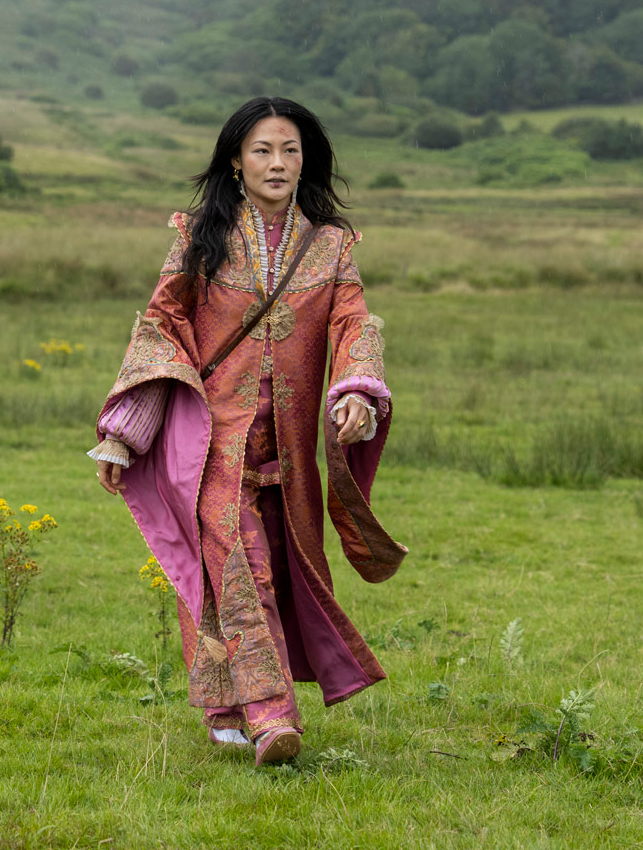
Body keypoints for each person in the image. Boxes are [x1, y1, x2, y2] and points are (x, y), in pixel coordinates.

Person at [90, 96, 406, 766]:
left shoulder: (331, 244)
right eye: (262, 149)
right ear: (236, 160)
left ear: (305, 160)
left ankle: (225, 703)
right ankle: (271, 720)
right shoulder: (198, 235)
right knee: (241, 569)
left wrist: (356, 392)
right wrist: (126, 430)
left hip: (288, 454)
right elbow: (161, 329)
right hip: (211, 448)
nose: (277, 162)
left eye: (290, 150)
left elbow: (354, 322)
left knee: (282, 574)